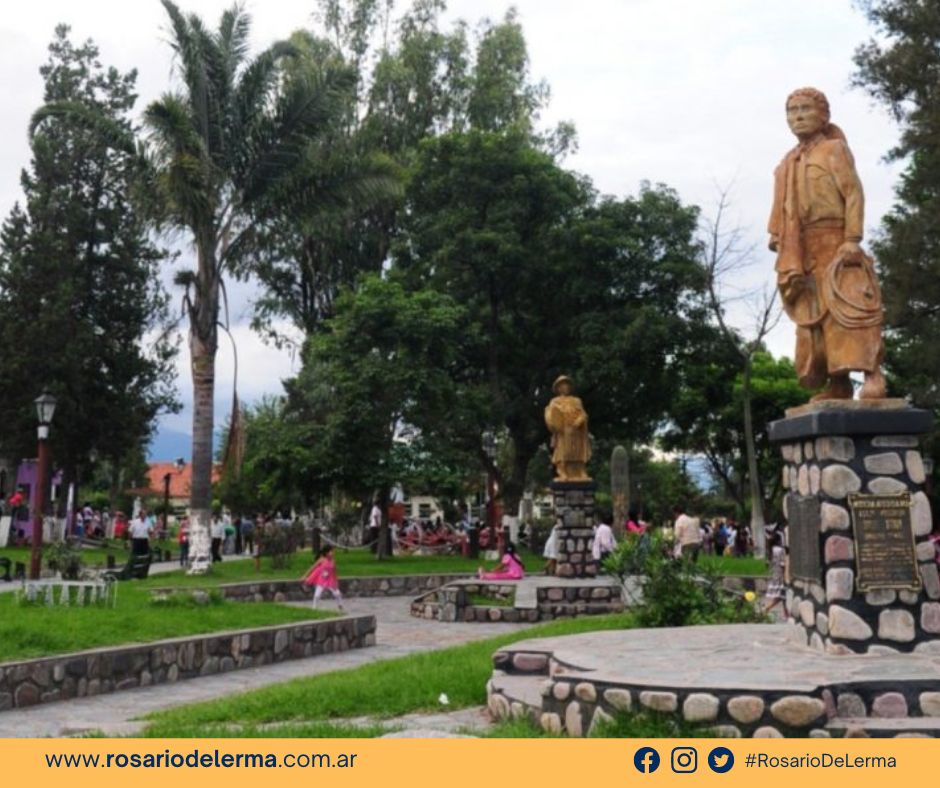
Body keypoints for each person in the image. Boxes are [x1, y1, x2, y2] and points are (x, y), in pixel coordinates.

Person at [769, 87, 886, 401]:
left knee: (851, 308)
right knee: (816, 318)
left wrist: (852, 238)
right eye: (792, 111)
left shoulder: (835, 150)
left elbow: (853, 194)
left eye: (806, 109)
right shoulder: (787, 162)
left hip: (836, 239)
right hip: (802, 246)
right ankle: (838, 382)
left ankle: (873, 374)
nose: (798, 116)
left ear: (824, 116)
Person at [544, 375, 592, 481]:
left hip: (577, 430)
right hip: (563, 431)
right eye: (562, 385)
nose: (565, 387)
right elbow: (551, 415)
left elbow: (583, 413)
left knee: (578, 451)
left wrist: (580, 420)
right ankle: (563, 471)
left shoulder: (576, 401)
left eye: (567, 385)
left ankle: (580, 471)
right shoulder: (555, 402)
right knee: (563, 452)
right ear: (559, 388)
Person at [303, 546, 344, 610]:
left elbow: (334, 572)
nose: (333, 553)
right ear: (327, 553)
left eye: (333, 551)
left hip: (330, 580)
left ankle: (340, 604)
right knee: (317, 595)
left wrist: (336, 581)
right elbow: (312, 568)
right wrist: (305, 575)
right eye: (331, 551)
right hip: (322, 580)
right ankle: (314, 607)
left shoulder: (333, 561)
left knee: (337, 593)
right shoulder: (322, 560)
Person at [763, 529, 787, 615]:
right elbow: (782, 563)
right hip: (779, 575)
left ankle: (786, 613)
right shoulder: (780, 550)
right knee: (781, 595)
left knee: (783, 595)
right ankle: (767, 608)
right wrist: (785, 575)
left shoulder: (769, 550)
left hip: (772, 574)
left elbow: (767, 564)